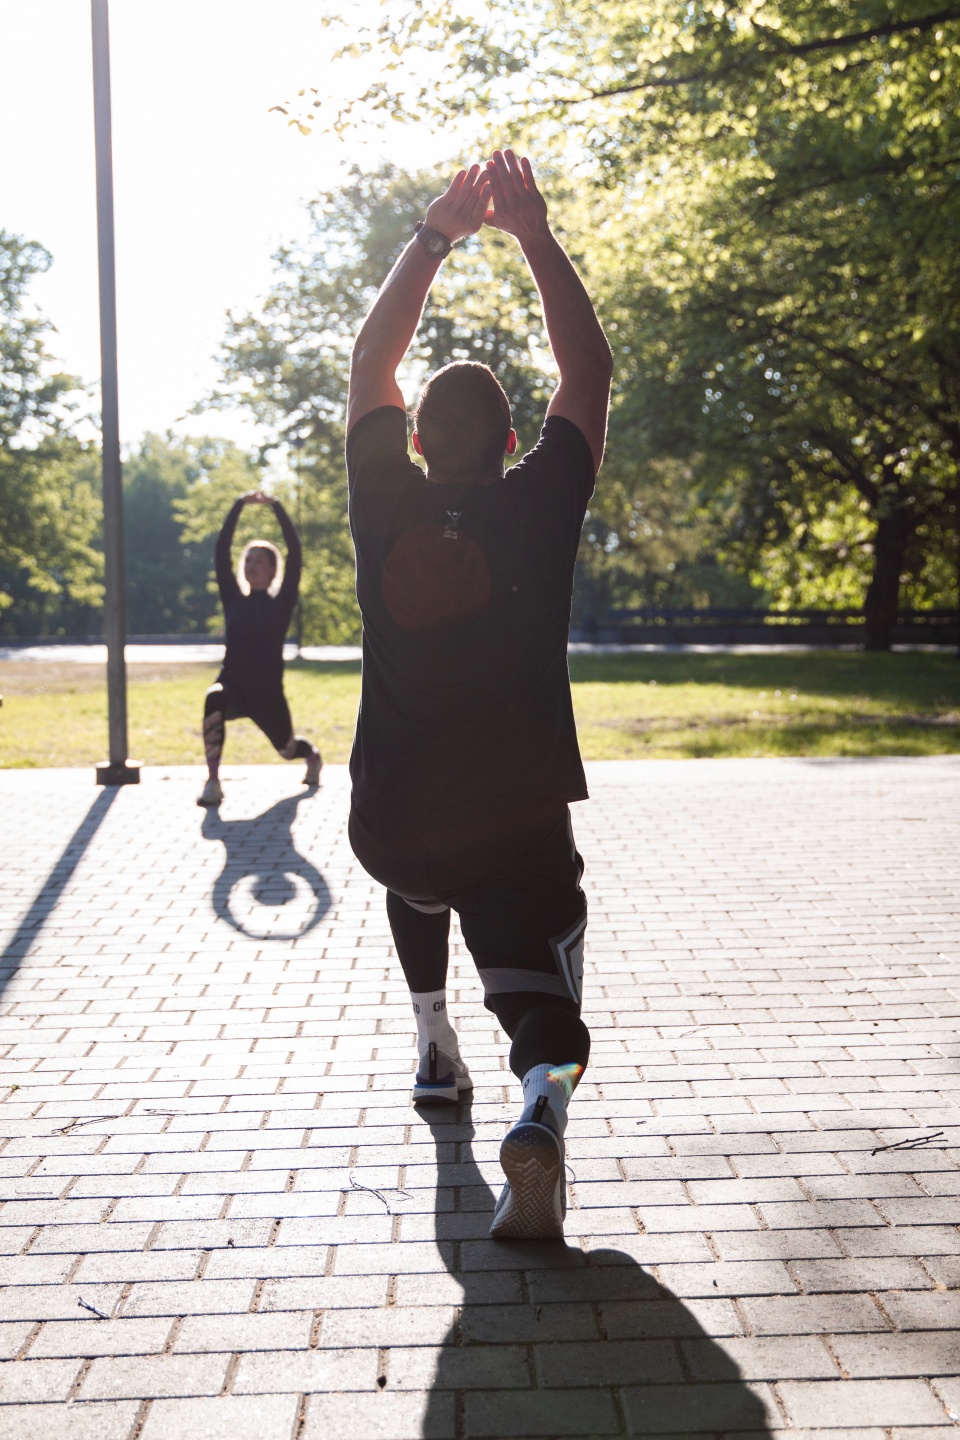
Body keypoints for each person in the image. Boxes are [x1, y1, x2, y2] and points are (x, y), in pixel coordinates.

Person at [345, 150, 612, 1239]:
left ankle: (432, 1040)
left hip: (394, 824)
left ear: (413, 440)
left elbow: (371, 360)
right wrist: (533, 235)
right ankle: (541, 1099)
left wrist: (435, 237)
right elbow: (587, 372)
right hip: (513, 826)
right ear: (512, 443)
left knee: (422, 880)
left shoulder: (384, 502)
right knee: (545, 987)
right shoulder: (538, 504)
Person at [197, 489, 322, 807]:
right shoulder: (233, 598)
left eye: (259, 561)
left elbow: (295, 552)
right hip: (233, 687)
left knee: (287, 750)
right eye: (248, 560)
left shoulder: (282, 602)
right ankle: (212, 781)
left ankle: (312, 755)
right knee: (214, 698)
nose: (251, 565)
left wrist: (276, 506)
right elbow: (221, 550)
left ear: (273, 570)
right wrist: (239, 504)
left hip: (267, 695)